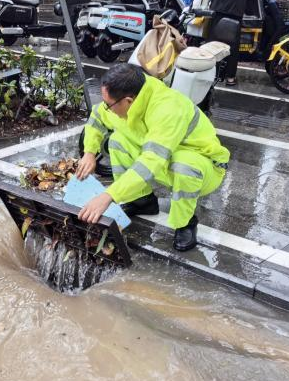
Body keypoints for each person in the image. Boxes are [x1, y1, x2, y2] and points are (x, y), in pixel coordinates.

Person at [76, 64, 230, 252]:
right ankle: (142, 202)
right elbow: (97, 117)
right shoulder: (128, 101)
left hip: (204, 165)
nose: (106, 108)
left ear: (128, 101)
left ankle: (185, 223)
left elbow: (150, 163)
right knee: (117, 141)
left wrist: (109, 196)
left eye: (110, 105)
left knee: (183, 166)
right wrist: (90, 152)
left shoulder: (168, 108)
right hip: (163, 157)